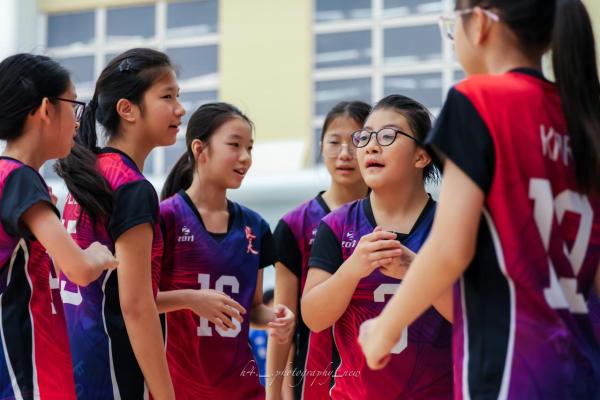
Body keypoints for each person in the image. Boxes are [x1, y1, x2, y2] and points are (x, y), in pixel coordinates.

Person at [359, 1, 600, 399]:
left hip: (514, 369)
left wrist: (384, 330)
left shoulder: (480, 99)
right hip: (585, 368)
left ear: (481, 24)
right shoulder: (581, 117)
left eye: (452, 25)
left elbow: (449, 248)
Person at [302, 95, 453, 399]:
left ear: (421, 156)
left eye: (387, 136)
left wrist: (415, 271)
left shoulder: (451, 224)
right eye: (366, 137)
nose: (371, 146)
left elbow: (473, 318)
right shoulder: (336, 225)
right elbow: (313, 317)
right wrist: (351, 271)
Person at [55, 48, 184, 400]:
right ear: (127, 109)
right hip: (110, 370)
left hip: (74, 363)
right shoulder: (131, 187)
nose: (180, 109)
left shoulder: (90, 173)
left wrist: (190, 298)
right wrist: (165, 395)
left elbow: (110, 290)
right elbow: (135, 307)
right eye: (167, 97)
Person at [0, 53, 117, 399]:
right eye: (73, 105)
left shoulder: (14, 179)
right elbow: (79, 269)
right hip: (24, 373)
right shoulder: (19, 179)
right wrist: (99, 253)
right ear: (45, 110)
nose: (78, 122)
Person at [158, 102, 295, 400]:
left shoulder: (255, 226)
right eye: (234, 145)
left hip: (241, 388)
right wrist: (190, 299)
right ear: (200, 149)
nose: (245, 157)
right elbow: (137, 302)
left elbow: (252, 309)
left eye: (250, 148)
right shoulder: (165, 218)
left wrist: (276, 317)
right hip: (179, 389)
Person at [267, 101, 370, 399]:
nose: (345, 153)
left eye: (357, 140)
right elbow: (283, 322)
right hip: (318, 379)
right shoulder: (294, 225)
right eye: (334, 142)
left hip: (384, 371)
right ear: (321, 147)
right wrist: (274, 395)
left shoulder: (393, 217)